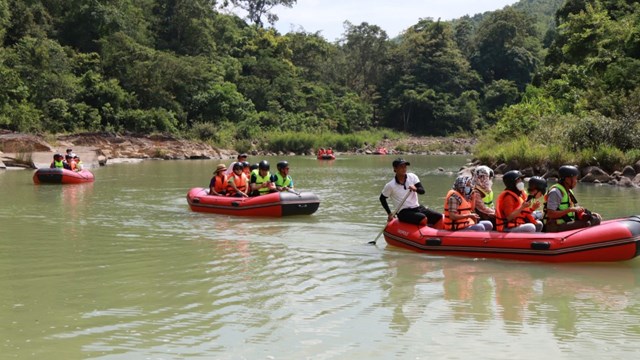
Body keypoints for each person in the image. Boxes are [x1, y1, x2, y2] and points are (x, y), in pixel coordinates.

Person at [379, 158, 443, 226]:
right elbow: (382, 198)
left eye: (405, 167)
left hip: (417, 207)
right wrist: (389, 213)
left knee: (438, 216)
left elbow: (422, 191)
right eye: (401, 167)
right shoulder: (390, 185)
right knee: (422, 218)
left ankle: (436, 234)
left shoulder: (412, 177)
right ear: (395, 169)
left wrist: (416, 189)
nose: (404, 169)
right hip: (403, 212)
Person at [544, 165, 602, 232]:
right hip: (554, 226)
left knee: (595, 218)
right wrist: (569, 210)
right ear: (567, 179)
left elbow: (574, 209)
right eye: (575, 178)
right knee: (589, 223)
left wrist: (590, 214)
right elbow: (550, 214)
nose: (576, 181)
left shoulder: (569, 191)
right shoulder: (555, 192)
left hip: (566, 222)